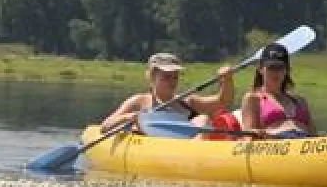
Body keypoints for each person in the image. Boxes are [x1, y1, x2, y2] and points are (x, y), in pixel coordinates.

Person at [100, 52, 234, 134]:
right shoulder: (139, 102)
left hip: (187, 151)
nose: (172, 81)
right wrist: (130, 117)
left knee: (202, 119)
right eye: (166, 77)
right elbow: (105, 126)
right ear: (152, 76)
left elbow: (223, 102)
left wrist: (227, 80)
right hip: (152, 148)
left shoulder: (188, 102)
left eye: (175, 77)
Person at [239, 42, 316, 139]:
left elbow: (315, 136)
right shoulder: (253, 98)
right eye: (271, 67)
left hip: (304, 140)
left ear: (287, 70)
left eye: (280, 67)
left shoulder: (300, 101)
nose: (276, 72)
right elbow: (247, 137)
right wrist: (257, 134)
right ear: (261, 69)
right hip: (276, 141)